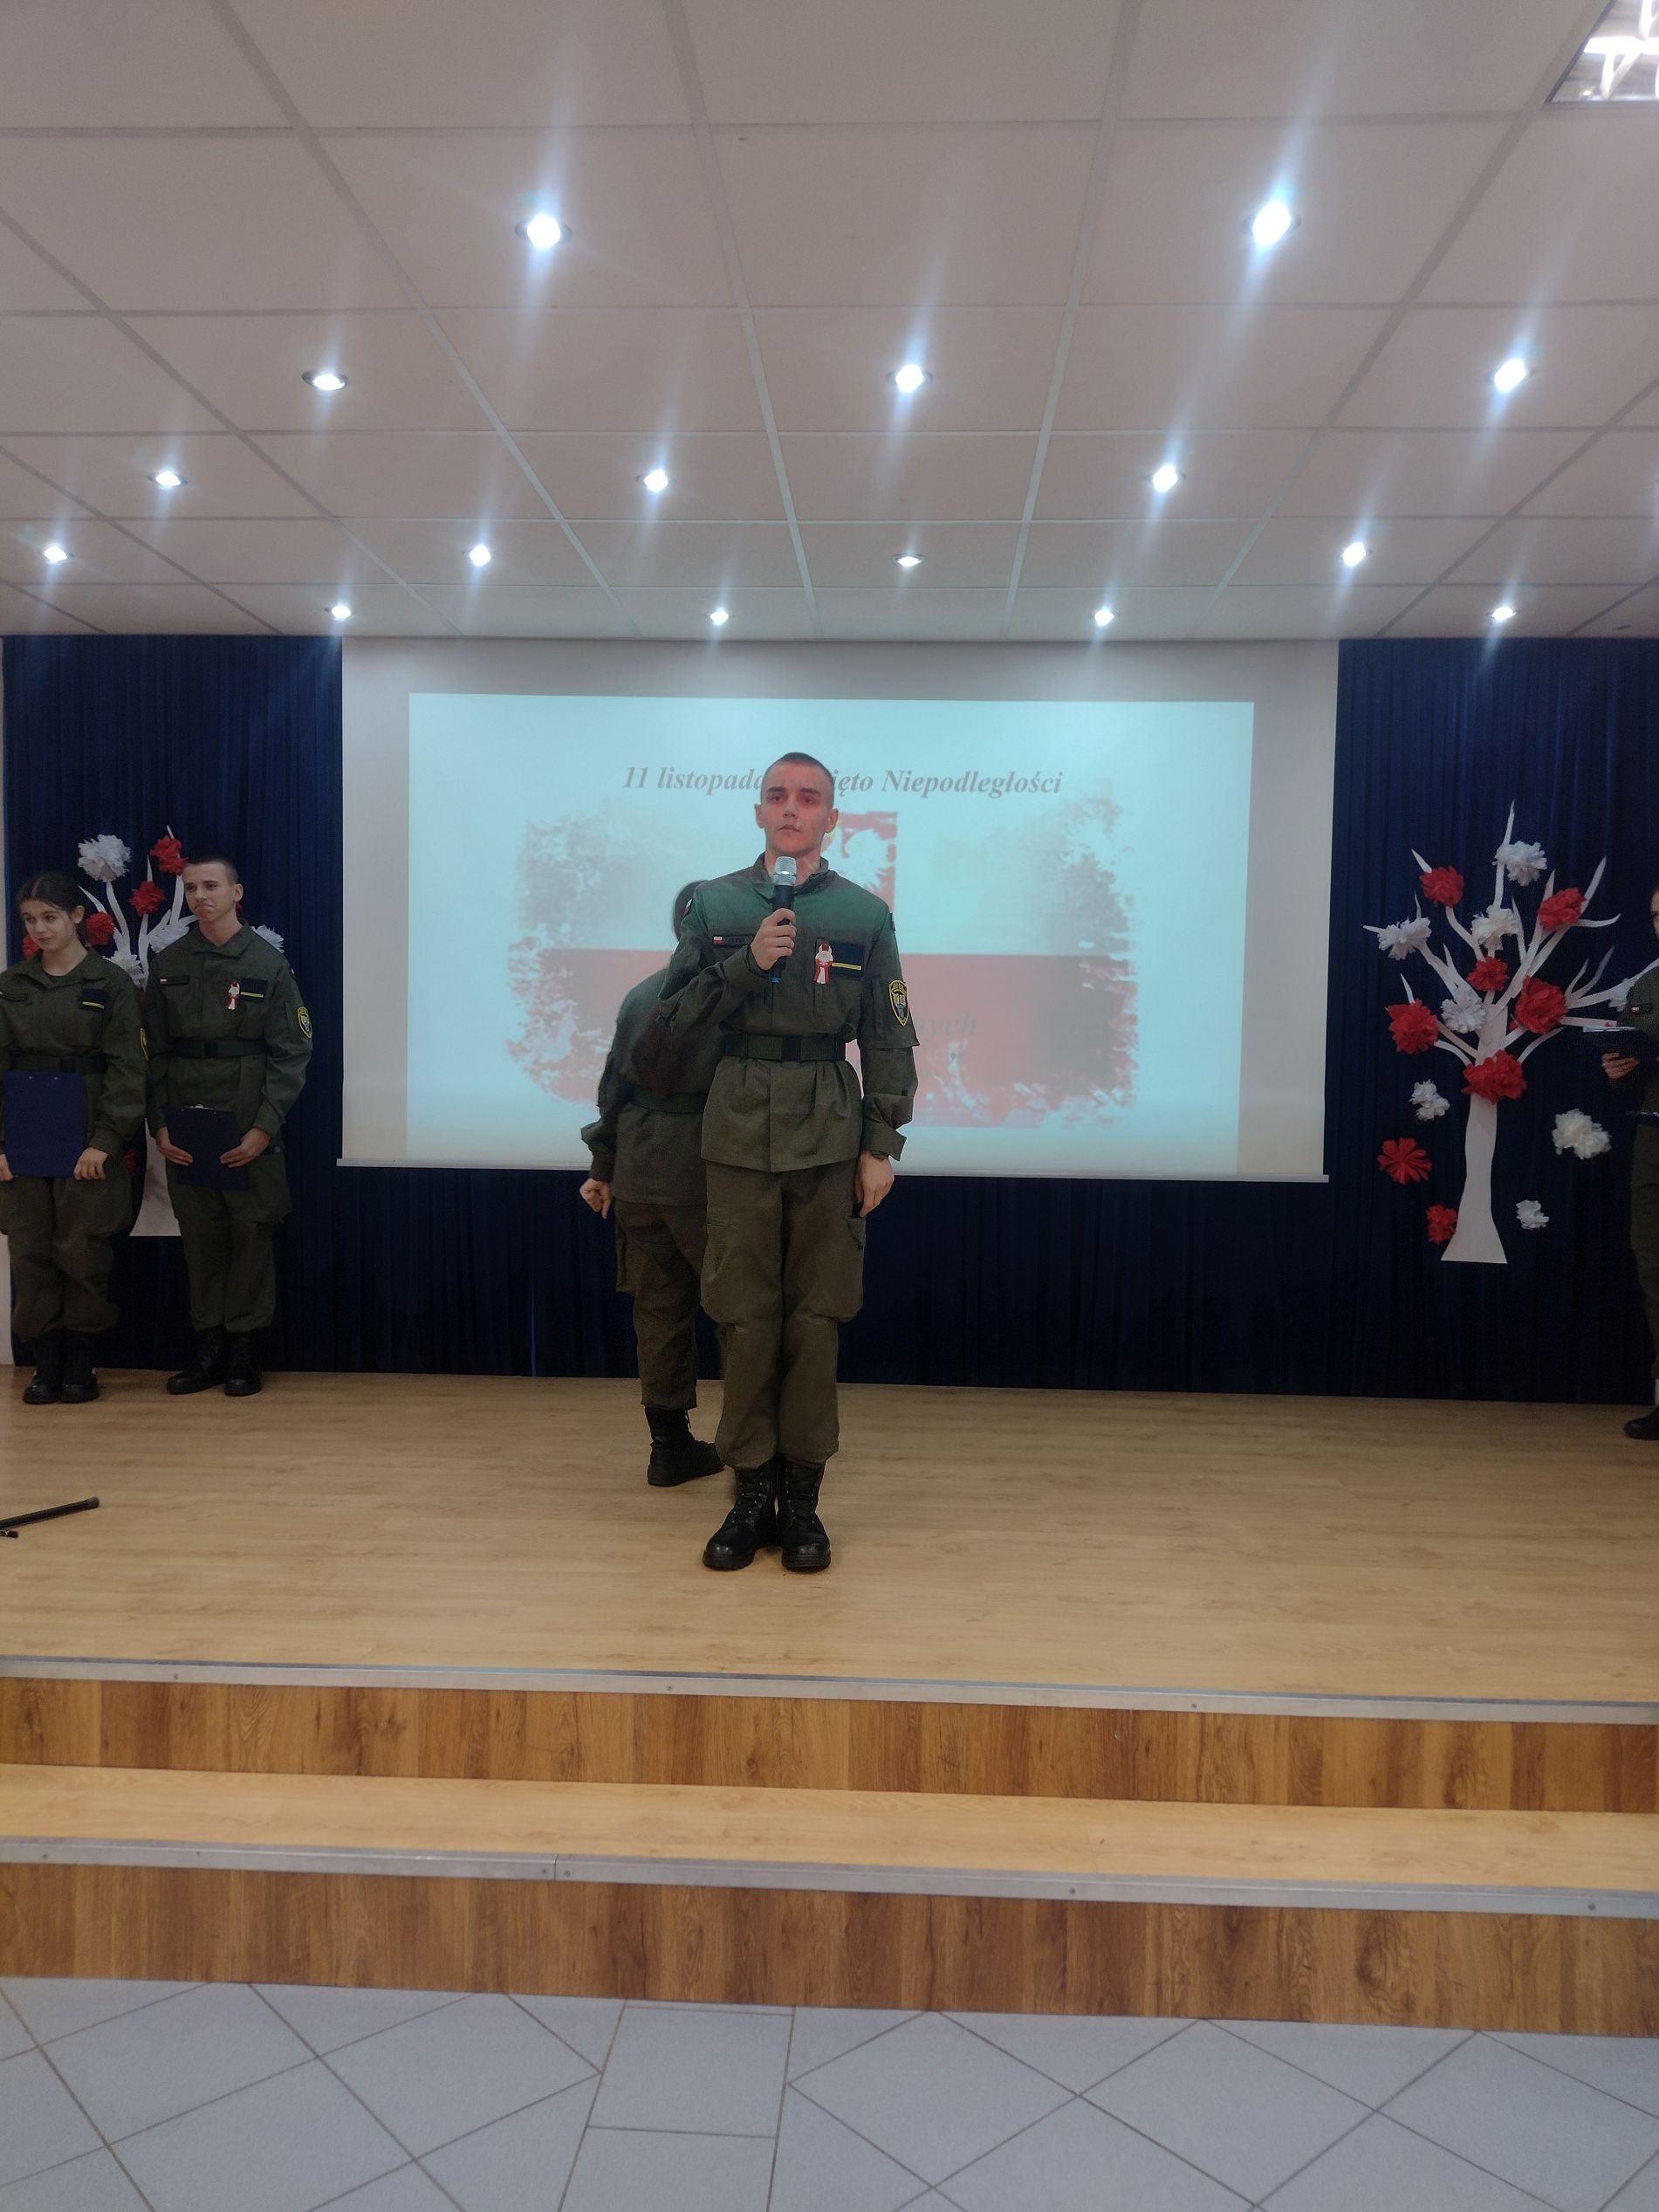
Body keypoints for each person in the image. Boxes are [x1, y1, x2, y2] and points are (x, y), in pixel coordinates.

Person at [659, 751, 917, 1574]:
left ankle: (801, 1499)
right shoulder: (715, 904)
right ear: (758, 812)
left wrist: (881, 1144)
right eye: (777, 796)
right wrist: (747, 963)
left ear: (831, 818)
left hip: (828, 1127)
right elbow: (674, 1020)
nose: (791, 809)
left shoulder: (863, 913)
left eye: (808, 799)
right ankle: (749, 1496)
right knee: (742, 1316)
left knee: (814, 1317)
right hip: (737, 1124)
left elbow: (888, 1036)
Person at [145, 853, 312, 1398]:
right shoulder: (169, 961)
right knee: (201, 1237)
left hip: (246, 1117)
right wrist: (159, 1124)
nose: (200, 897)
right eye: (192, 888)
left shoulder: (266, 962)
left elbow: (292, 1053)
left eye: (211, 886)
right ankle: (209, 1347)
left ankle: (245, 1349)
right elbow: (152, 1053)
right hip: (187, 1119)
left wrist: (264, 1127)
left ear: (236, 893)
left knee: (249, 1235)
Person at [579, 883, 725, 1487]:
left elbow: (612, 1089)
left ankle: (668, 1448)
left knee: (659, 1311)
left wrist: (602, 1167)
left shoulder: (641, 994)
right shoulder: (740, 1001)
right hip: (707, 1170)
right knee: (741, 1314)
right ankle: (753, 1454)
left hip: (638, 1170)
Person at [0, 872, 147, 1404]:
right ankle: (45, 1366)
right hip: (23, 1139)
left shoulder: (109, 984)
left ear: (78, 917)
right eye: (29, 920)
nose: (40, 929)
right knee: (29, 1251)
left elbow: (128, 1069)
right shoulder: (11, 985)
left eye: (50, 917)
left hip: (86, 1138)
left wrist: (105, 1140)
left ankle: (81, 1366)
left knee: (82, 1253)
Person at [1604, 881, 1659, 1439]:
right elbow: (1634, 1068)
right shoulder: (1648, 983)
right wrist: (1620, 1070)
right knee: (1654, 1264)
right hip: (1654, 1138)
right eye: (1657, 916)